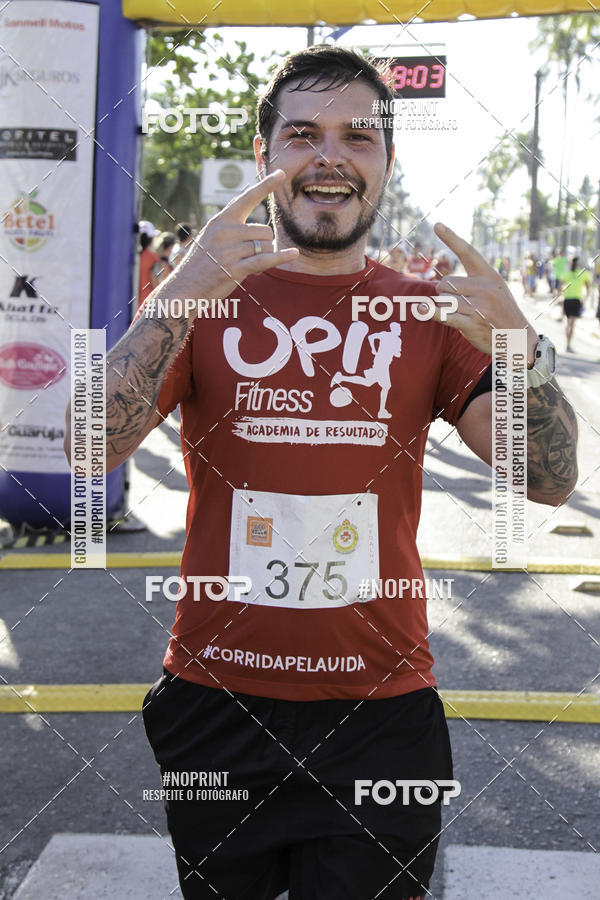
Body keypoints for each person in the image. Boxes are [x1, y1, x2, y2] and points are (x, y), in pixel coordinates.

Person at [66, 45, 578, 900]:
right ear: (264, 157)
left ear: (385, 163)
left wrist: (522, 354)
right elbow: (87, 448)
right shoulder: (203, 301)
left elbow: (547, 480)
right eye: (302, 134)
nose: (330, 155)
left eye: (359, 136)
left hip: (382, 717)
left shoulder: (429, 312)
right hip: (214, 703)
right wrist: (180, 292)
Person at [562, 256, 591, 352]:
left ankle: (567, 342)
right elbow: (588, 287)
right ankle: (568, 344)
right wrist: (585, 298)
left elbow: (559, 286)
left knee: (568, 322)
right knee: (572, 323)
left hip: (567, 300)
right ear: (578, 264)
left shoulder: (566, 274)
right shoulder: (583, 274)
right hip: (576, 300)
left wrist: (561, 294)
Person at [137, 220, 160, 309]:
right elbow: (155, 282)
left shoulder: (132, 256)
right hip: (147, 304)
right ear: (151, 239)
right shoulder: (153, 257)